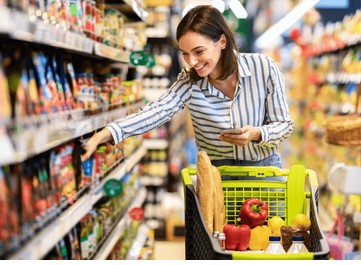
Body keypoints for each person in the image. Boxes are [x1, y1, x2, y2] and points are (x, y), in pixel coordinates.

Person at [81, 5, 294, 172]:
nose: (191, 61)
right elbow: (158, 111)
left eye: (199, 51)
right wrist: (108, 132)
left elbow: (284, 125)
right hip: (215, 179)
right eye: (184, 53)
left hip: (263, 174)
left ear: (221, 42)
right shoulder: (190, 81)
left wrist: (258, 133)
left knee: (267, 230)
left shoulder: (263, 67)